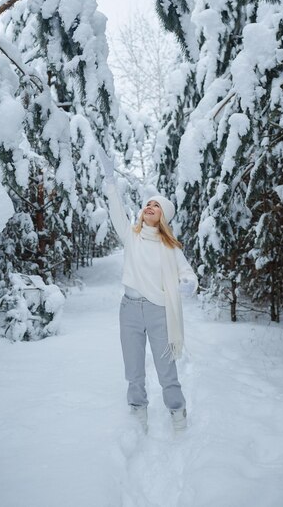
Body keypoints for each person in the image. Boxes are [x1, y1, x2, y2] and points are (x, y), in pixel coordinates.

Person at [97, 145, 198, 433]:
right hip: (129, 309)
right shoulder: (132, 236)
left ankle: (177, 411)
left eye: (155, 206)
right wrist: (110, 182)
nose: (148, 207)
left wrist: (188, 284)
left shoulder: (170, 247)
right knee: (133, 368)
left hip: (158, 311)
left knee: (166, 370)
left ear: (163, 216)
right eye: (148, 204)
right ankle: (137, 410)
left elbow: (187, 274)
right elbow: (117, 211)